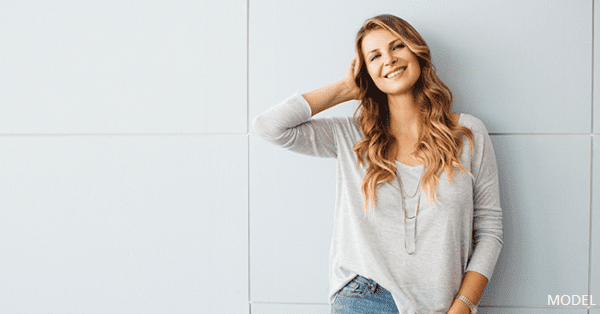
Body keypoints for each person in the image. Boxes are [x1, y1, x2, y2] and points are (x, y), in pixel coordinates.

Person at [252, 14, 503, 314]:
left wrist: (463, 306)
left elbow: (489, 232)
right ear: (365, 71)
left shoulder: (468, 133)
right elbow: (269, 126)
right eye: (375, 56)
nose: (389, 60)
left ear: (417, 52)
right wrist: (346, 88)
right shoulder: (351, 136)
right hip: (364, 299)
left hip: (442, 305)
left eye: (397, 47)